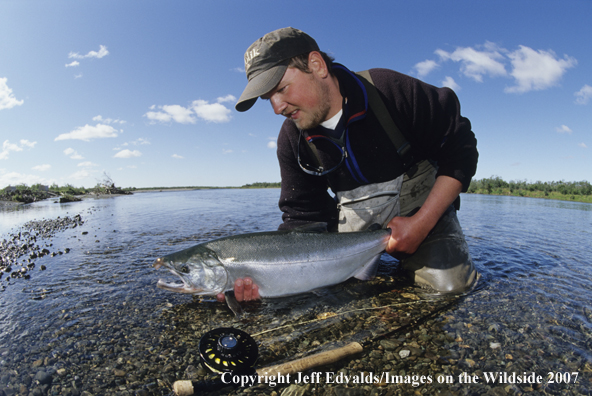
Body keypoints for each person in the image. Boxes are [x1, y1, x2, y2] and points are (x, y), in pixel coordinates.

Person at [217, 27, 478, 303]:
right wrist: (264, 278)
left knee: (449, 289)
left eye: (281, 89)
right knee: (331, 300)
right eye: (268, 98)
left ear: (316, 65)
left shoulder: (389, 91)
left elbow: (460, 149)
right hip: (354, 238)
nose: (277, 107)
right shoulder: (292, 139)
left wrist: (422, 224)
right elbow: (304, 217)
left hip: (425, 213)